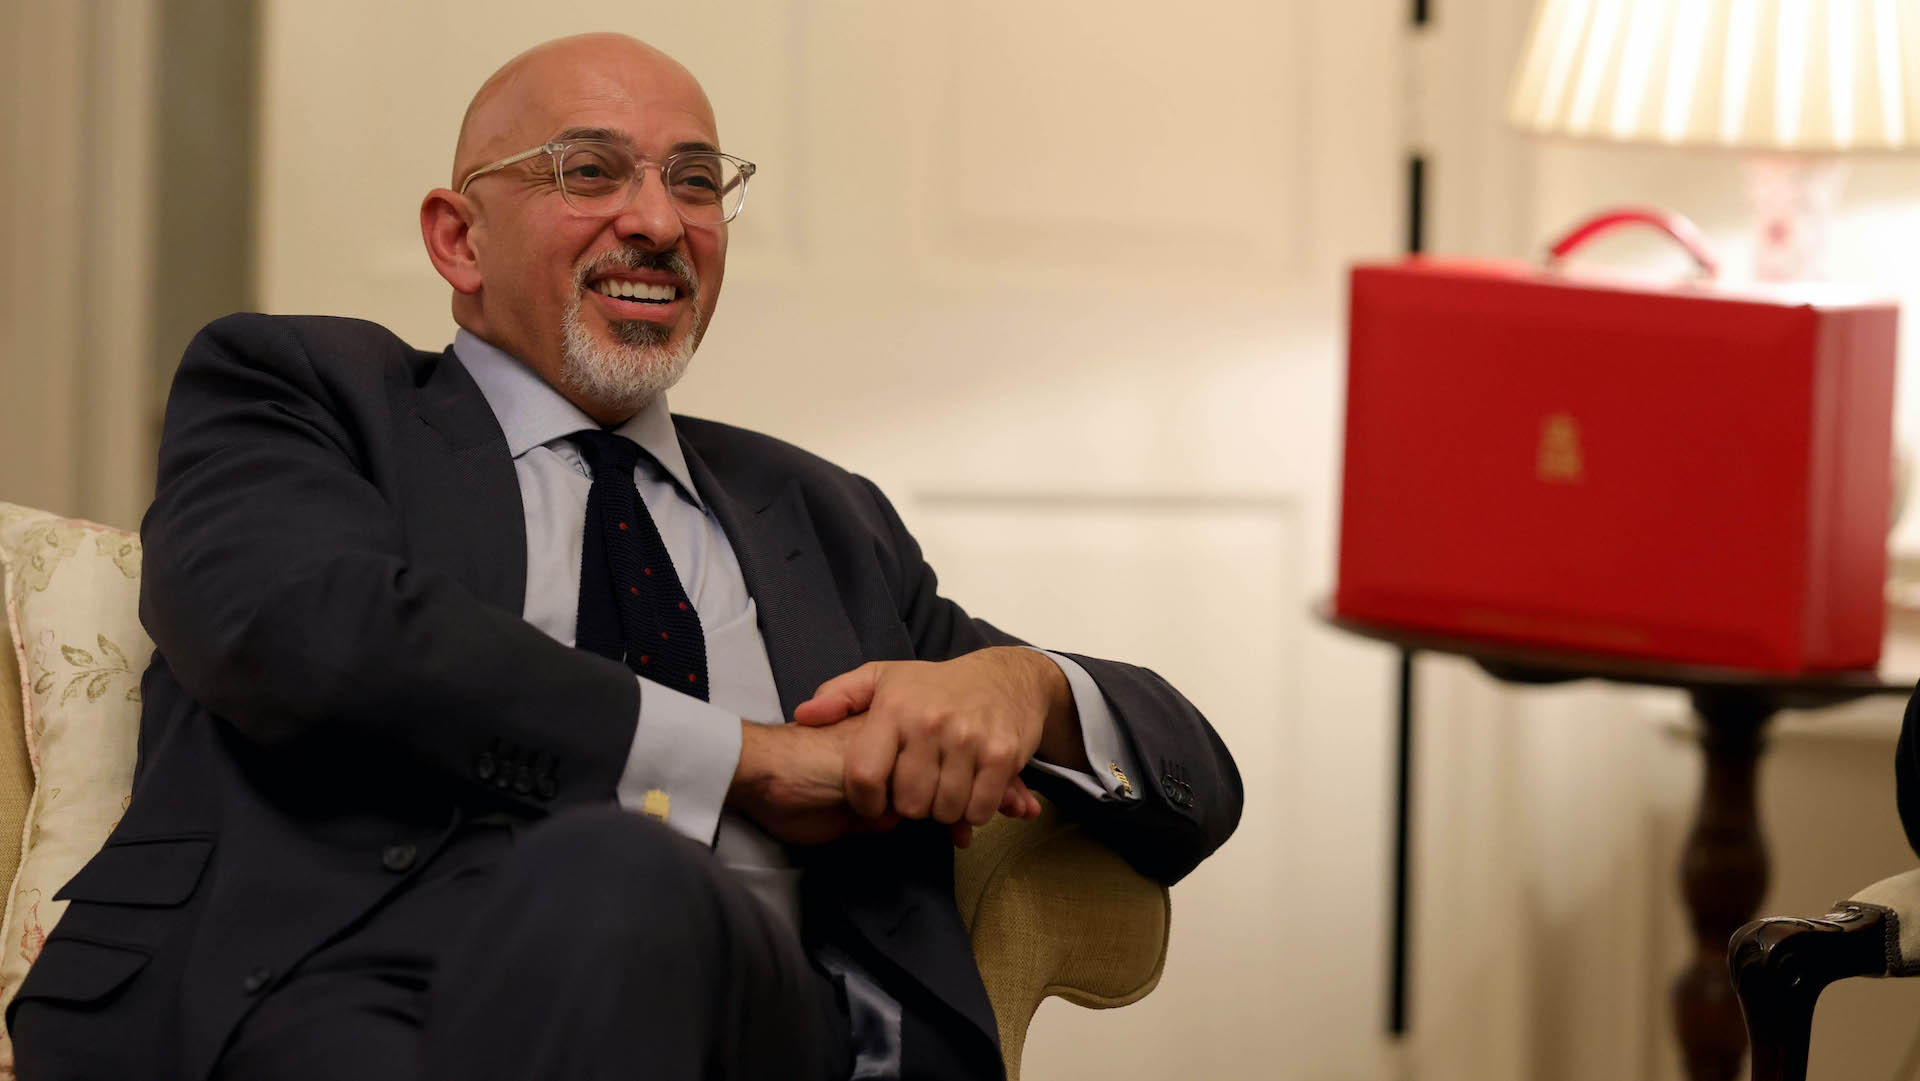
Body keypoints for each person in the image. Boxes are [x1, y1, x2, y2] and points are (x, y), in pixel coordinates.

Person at [7, 32, 1241, 1081]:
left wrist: (1023, 688)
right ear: (458, 240)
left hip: (756, 1020)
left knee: (621, 883)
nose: (656, 222)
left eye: (695, 184)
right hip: (323, 985)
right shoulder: (311, 393)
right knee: (604, 875)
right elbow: (299, 624)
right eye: (588, 171)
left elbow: (1199, 778)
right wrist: (746, 761)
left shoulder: (815, 511)